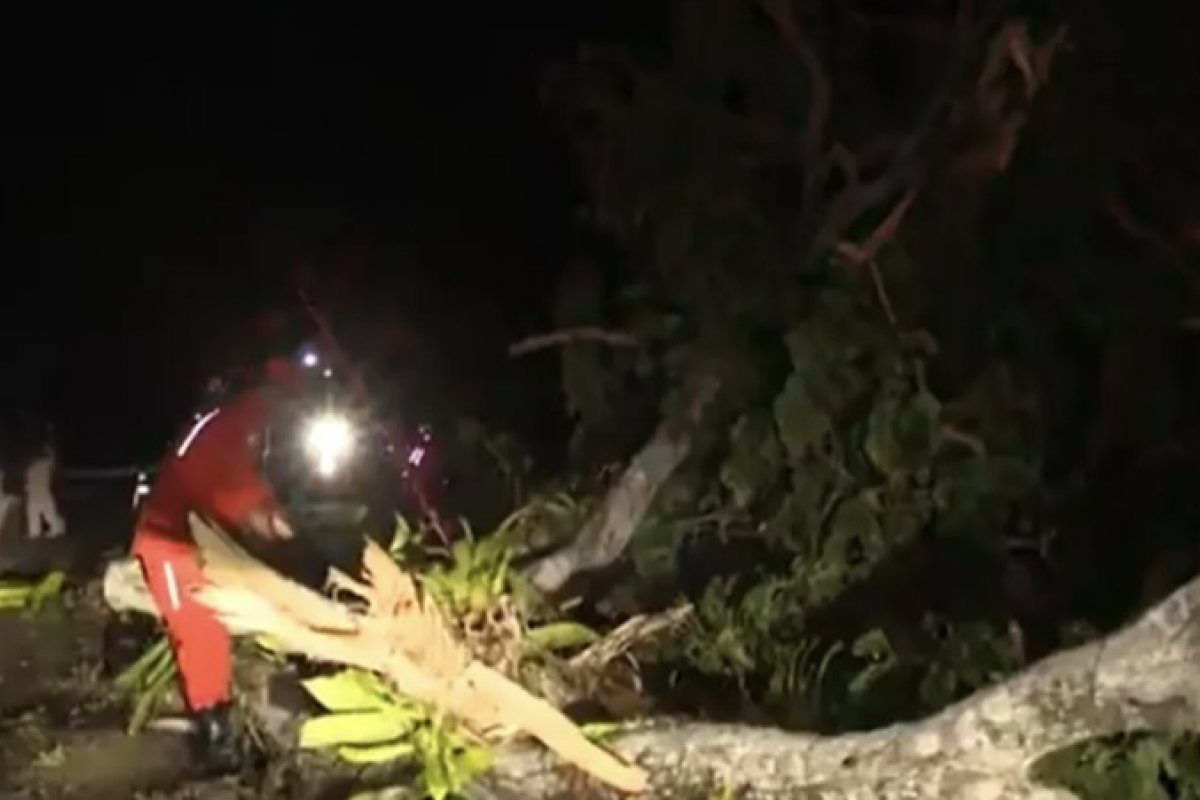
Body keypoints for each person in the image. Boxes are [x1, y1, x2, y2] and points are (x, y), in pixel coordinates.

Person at [132, 353, 305, 771]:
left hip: (195, 544)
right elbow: (228, 483)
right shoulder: (235, 423)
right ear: (270, 395)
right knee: (197, 633)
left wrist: (267, 510)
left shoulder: (233, 422)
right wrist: (264, 519)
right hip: (168, 542)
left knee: (212, 634)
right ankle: (212, 738)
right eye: (287, 402)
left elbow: (244, 480)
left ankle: (217, 723)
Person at [25, 424, 65, 539]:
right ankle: (34, 532)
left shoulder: (44, 463)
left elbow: (52, 456)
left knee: (47, 511)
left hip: (41, 491)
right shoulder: (33, 463)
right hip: (34, 491)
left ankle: (56, 528)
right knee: (33, 512)